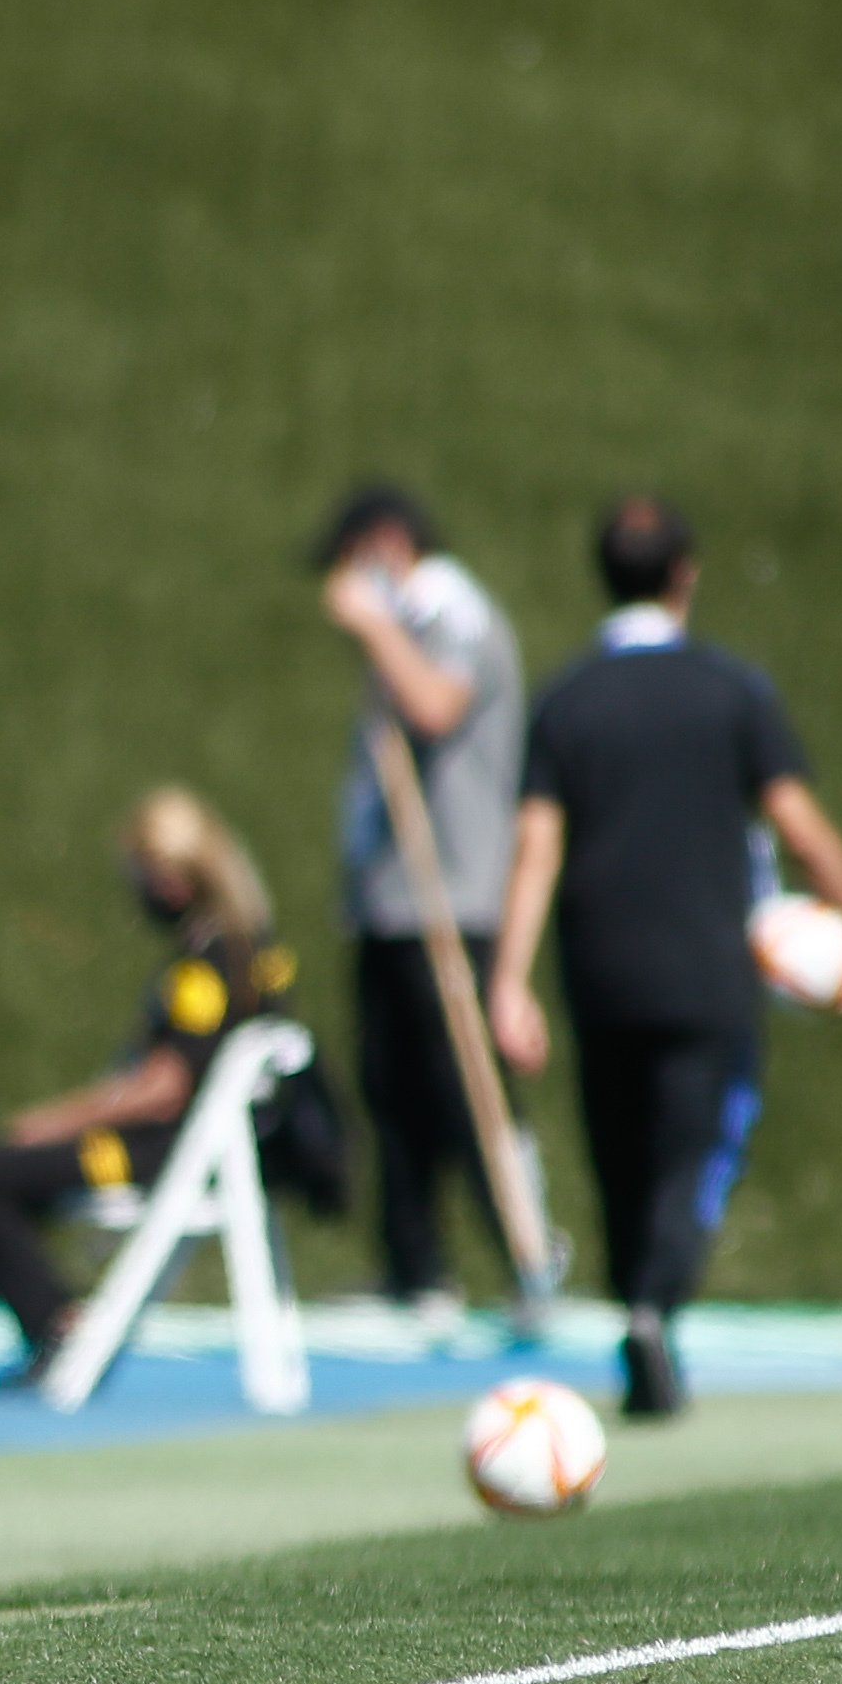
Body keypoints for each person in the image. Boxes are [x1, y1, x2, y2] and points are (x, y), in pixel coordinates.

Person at [486, 496, 842, 1417]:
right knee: (690, 1156)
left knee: (619, 1158)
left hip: (600, 967)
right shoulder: (732, 691)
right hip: (707, 966)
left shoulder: (566, 700)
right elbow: (795, 822)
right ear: (686, 573)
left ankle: (637, 1303)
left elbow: (536, 847)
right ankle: (655, 1306)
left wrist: (509, 981)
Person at [0, 786, 297, 1387]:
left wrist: (58, 1120)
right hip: (186, 1148)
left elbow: (164, 1086)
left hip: (155, 1154)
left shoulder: (208, 964)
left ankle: (50, 1323)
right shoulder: (254, 950)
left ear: (173, 878)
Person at [311, 484, 525, 1324]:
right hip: (390, 901)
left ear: (385, 543)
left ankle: (524, 1255)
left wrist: (374, 625)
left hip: (452, 895)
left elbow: (438, 705)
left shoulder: (450, 610)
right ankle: (415, 1267)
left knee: (465, 1089)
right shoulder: (412, 620)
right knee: (390, 1089)